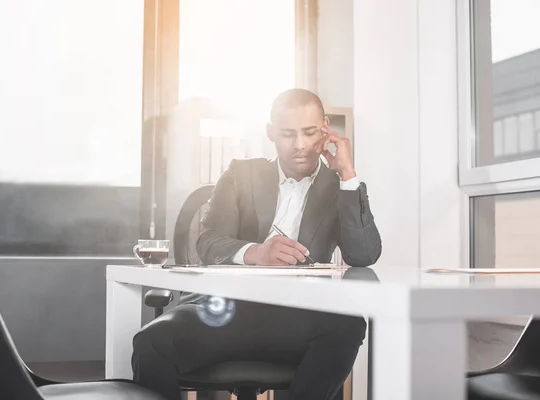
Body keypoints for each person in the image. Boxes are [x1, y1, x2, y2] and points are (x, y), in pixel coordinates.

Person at [132, 88, 382, 400]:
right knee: (151, 341)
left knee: (348, 323)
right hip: (224, 311)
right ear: (270, 133)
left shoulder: (338, 187)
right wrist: (255, 252)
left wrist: (347, 173)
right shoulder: (242, 173)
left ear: (325, 129)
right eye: (288, 134)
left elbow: (364, 255)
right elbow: (208, 241)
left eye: (309, 133)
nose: (301, 145)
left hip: (299, 316)